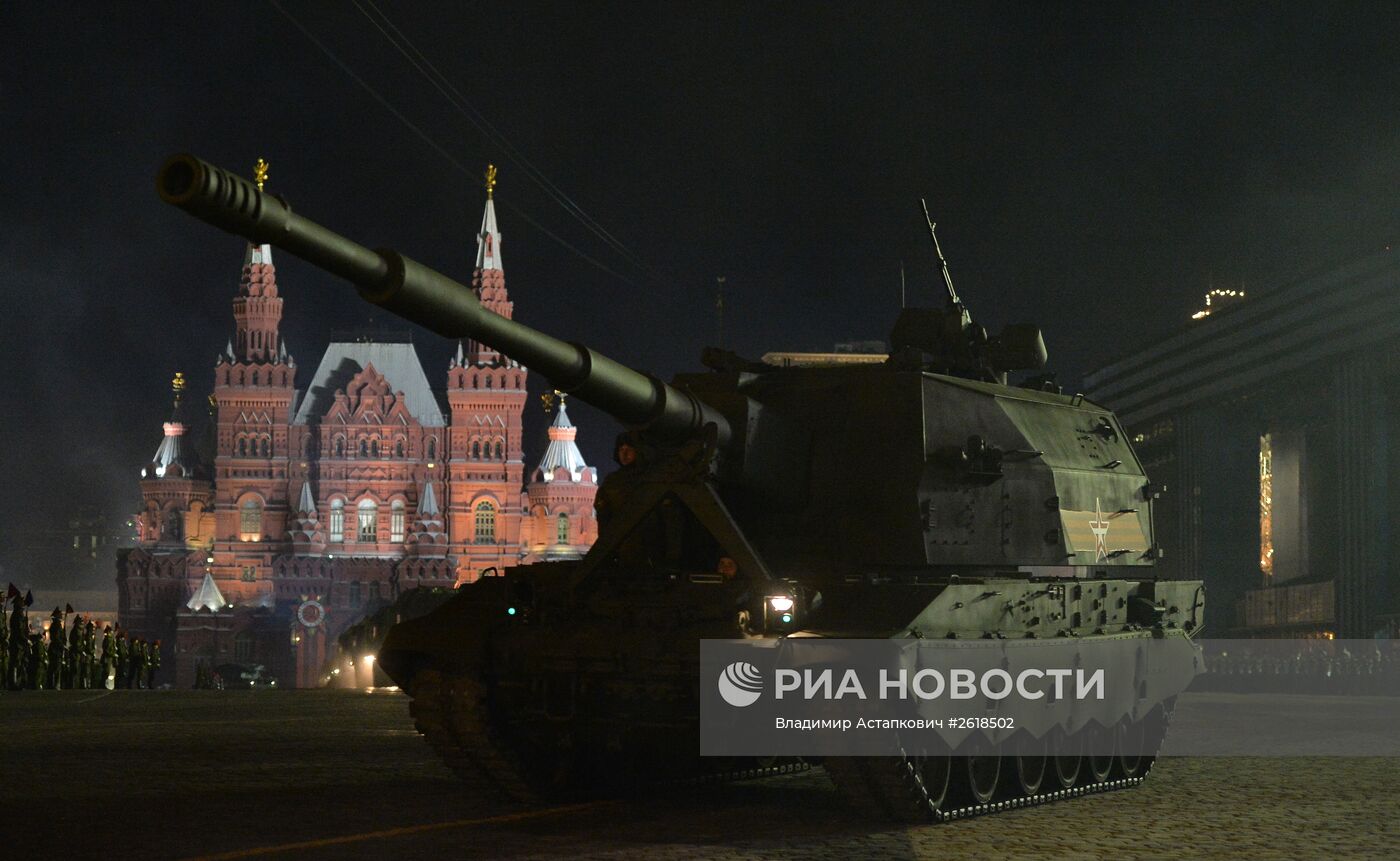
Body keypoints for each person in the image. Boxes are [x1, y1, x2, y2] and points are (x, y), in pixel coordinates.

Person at [100, 626, 116, 690]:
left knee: (107, 671)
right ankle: (103, 684)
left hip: (109, 657)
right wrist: (112, 654)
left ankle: (104, 684)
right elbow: (107, 649)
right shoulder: (107, 639)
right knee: (106, 671)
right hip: (107, 658)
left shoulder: (109, 639)